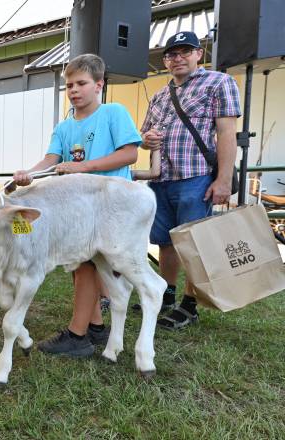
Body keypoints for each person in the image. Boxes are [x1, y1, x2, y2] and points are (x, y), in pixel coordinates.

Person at [12, 54, 141, 357]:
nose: (74, 90)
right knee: (80, 266)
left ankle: (77, 334)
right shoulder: (64, 127)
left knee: (85, 267)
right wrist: (28, 174)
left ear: (99, 85)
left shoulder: (113, 112)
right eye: (69, 85)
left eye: (81, 83)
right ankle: (95, 327)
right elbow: (50, 159)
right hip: (79, 207)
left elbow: (130, 154)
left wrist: (85, 167)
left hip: (110, 205)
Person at [138, 31, 240, 330]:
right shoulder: (158, 95)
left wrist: (222, 180)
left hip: (195, 178)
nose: (177, 58)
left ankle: (190, 305)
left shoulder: (219, 83)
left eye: (185, 51)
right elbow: (143, 138)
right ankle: (166, 294)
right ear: (166, 61)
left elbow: (226, 134)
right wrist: (147, 140)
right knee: (165, 243)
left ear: (199, 54)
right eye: (171, 54)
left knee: (194, 245)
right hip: (160, 179)